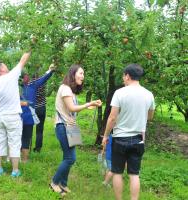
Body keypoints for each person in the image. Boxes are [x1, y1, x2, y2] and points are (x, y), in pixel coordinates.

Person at [102, 64, 155, 200]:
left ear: (127, 76)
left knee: (117, 172)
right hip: (138, 139)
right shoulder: (149, 94)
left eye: (123, 76)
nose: (123, 79)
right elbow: (150, 117)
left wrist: (106, 135)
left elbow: (112, 117)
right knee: (134, 174)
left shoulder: (120, 93)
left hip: (120, 139)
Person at [50, 64, 102, 195]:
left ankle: (63, 183)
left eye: (83, 74)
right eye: (81, 73)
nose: (83, 77)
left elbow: (71, 109)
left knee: (68, 156)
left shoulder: (70, 91)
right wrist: (88, 104)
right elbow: (72, 108)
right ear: (73, 74)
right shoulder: (65, 89)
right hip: (63, 126)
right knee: (70, 158)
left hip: (71, 126)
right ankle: (54, 182)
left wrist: (87, 106)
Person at [0, 51, 31, 177]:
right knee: (14, 142)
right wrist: (31, 45)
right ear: (1, 68)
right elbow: (23, 59)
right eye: (4, 65)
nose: (6, 66)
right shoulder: (11, 75)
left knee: (0, 142)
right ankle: (15, 171)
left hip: (0, 116)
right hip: (12, 116)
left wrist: (1, 104)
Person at [20, 64, 55, 162]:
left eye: (28, 75)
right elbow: (43, 79)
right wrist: (49, 71)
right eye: (26, 75)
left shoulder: (29, 85)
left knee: (24, 137)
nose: (28, 77)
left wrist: (50, 71)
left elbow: (43, 79)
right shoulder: (26, 86)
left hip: (25, 117)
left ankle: (23, 159)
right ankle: (22, 159)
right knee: (22, 137)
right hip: (21, 116)